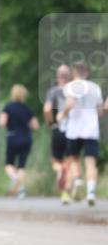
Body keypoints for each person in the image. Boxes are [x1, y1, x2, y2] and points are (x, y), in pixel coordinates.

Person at [57, 60, 104, 207]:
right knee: (91, 163)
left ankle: (78, 181)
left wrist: (62, 115)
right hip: (91, 130)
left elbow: (70, 104)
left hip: (74, 130)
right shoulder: (95, 88)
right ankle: (91, 193)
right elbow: (100, 112)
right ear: (87, 73)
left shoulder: (70, 86)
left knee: (74, 160)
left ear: (73, 72)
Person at [0, 84, 39, 199]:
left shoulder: (8, 107)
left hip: (12, 137)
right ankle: (21, 191)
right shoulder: (27, 109)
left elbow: (2, 122)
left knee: (8, 165)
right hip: (26, 138)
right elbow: (35, 126)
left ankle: (15, 179)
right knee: (22, 165)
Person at [43, 65, 72, 203]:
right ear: (70, 76)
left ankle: (60, 170)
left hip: (58, 129)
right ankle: (66, 194)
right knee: (71, 162)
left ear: (58, 77)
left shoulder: (53, 91)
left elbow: (47, 109)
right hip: (74, 131)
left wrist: (51, 123)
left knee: (56, 160)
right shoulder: (75, 91)